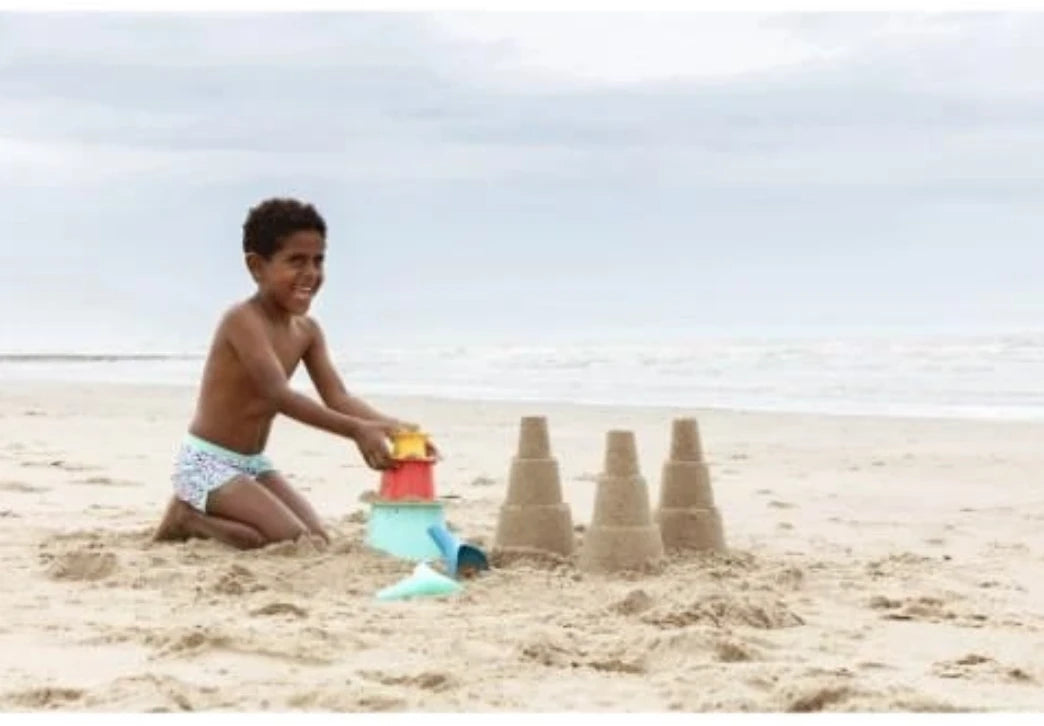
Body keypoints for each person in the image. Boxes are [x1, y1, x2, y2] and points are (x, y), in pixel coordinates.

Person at [153, 197, 428, 549]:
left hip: (252, 463)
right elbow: (279, 395)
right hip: (207, 464)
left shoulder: (307, 331)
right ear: (257, 267)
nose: (311, 273)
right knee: (288, 541)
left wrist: (394, 427)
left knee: (317, 539)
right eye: (296, 261)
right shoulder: (242, 321)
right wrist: (357, 431)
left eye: (318, 260)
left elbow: (338, 397)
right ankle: (186, 516)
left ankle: (198, 515)